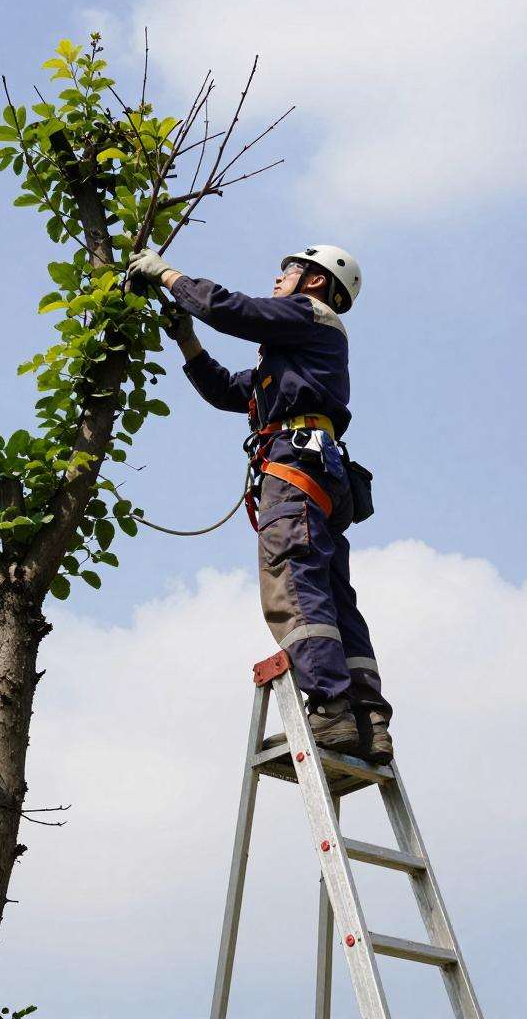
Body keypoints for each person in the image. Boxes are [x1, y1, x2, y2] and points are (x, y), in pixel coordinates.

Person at [125, 245, 393, 764]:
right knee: (335, 597)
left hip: (296, 469)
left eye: (288, 270)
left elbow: (233, 310)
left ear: (314, 282)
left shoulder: (308, 316)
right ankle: (369, 719)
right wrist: (186, 340)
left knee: (292, 576)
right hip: (319, 469)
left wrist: (168, 275)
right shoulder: (291, 358)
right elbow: (230, 392)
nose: (277, 278)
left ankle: (332, 708)